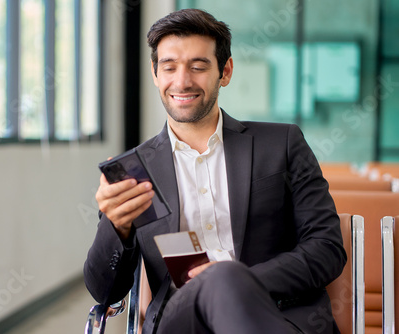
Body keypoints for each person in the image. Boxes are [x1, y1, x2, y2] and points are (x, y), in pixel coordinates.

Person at [84, 8, 346, 334]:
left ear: (225, 71)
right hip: (183, 320)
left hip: (281, 314)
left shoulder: (282, 144)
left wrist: (240, 279)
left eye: (197, 66)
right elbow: (105, 293)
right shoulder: (136, 171)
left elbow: (327, 248)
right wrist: (116, 228)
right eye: (169, 67)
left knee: (224, 276)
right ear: (155, 73)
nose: (182, 81)